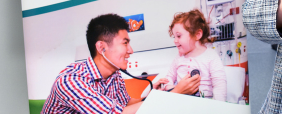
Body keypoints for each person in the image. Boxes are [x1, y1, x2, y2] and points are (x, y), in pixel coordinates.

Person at [42, 13, 201, 114]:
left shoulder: (114, 74)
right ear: (101, 47)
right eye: (125, 43)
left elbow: (126, 103)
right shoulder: (70, 81)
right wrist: (175, 94)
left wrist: (153, 95)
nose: (131, 50)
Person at [159, 9, 227, 101]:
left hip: (205, 104)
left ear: (197, 35)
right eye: (174, 37)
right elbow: (169, 77)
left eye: (178, 36)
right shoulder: (179, 58)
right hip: (181, 102)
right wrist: (170, 87)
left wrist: (218, 107)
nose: (175, 40)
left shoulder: (210, 56)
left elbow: (219, 85)